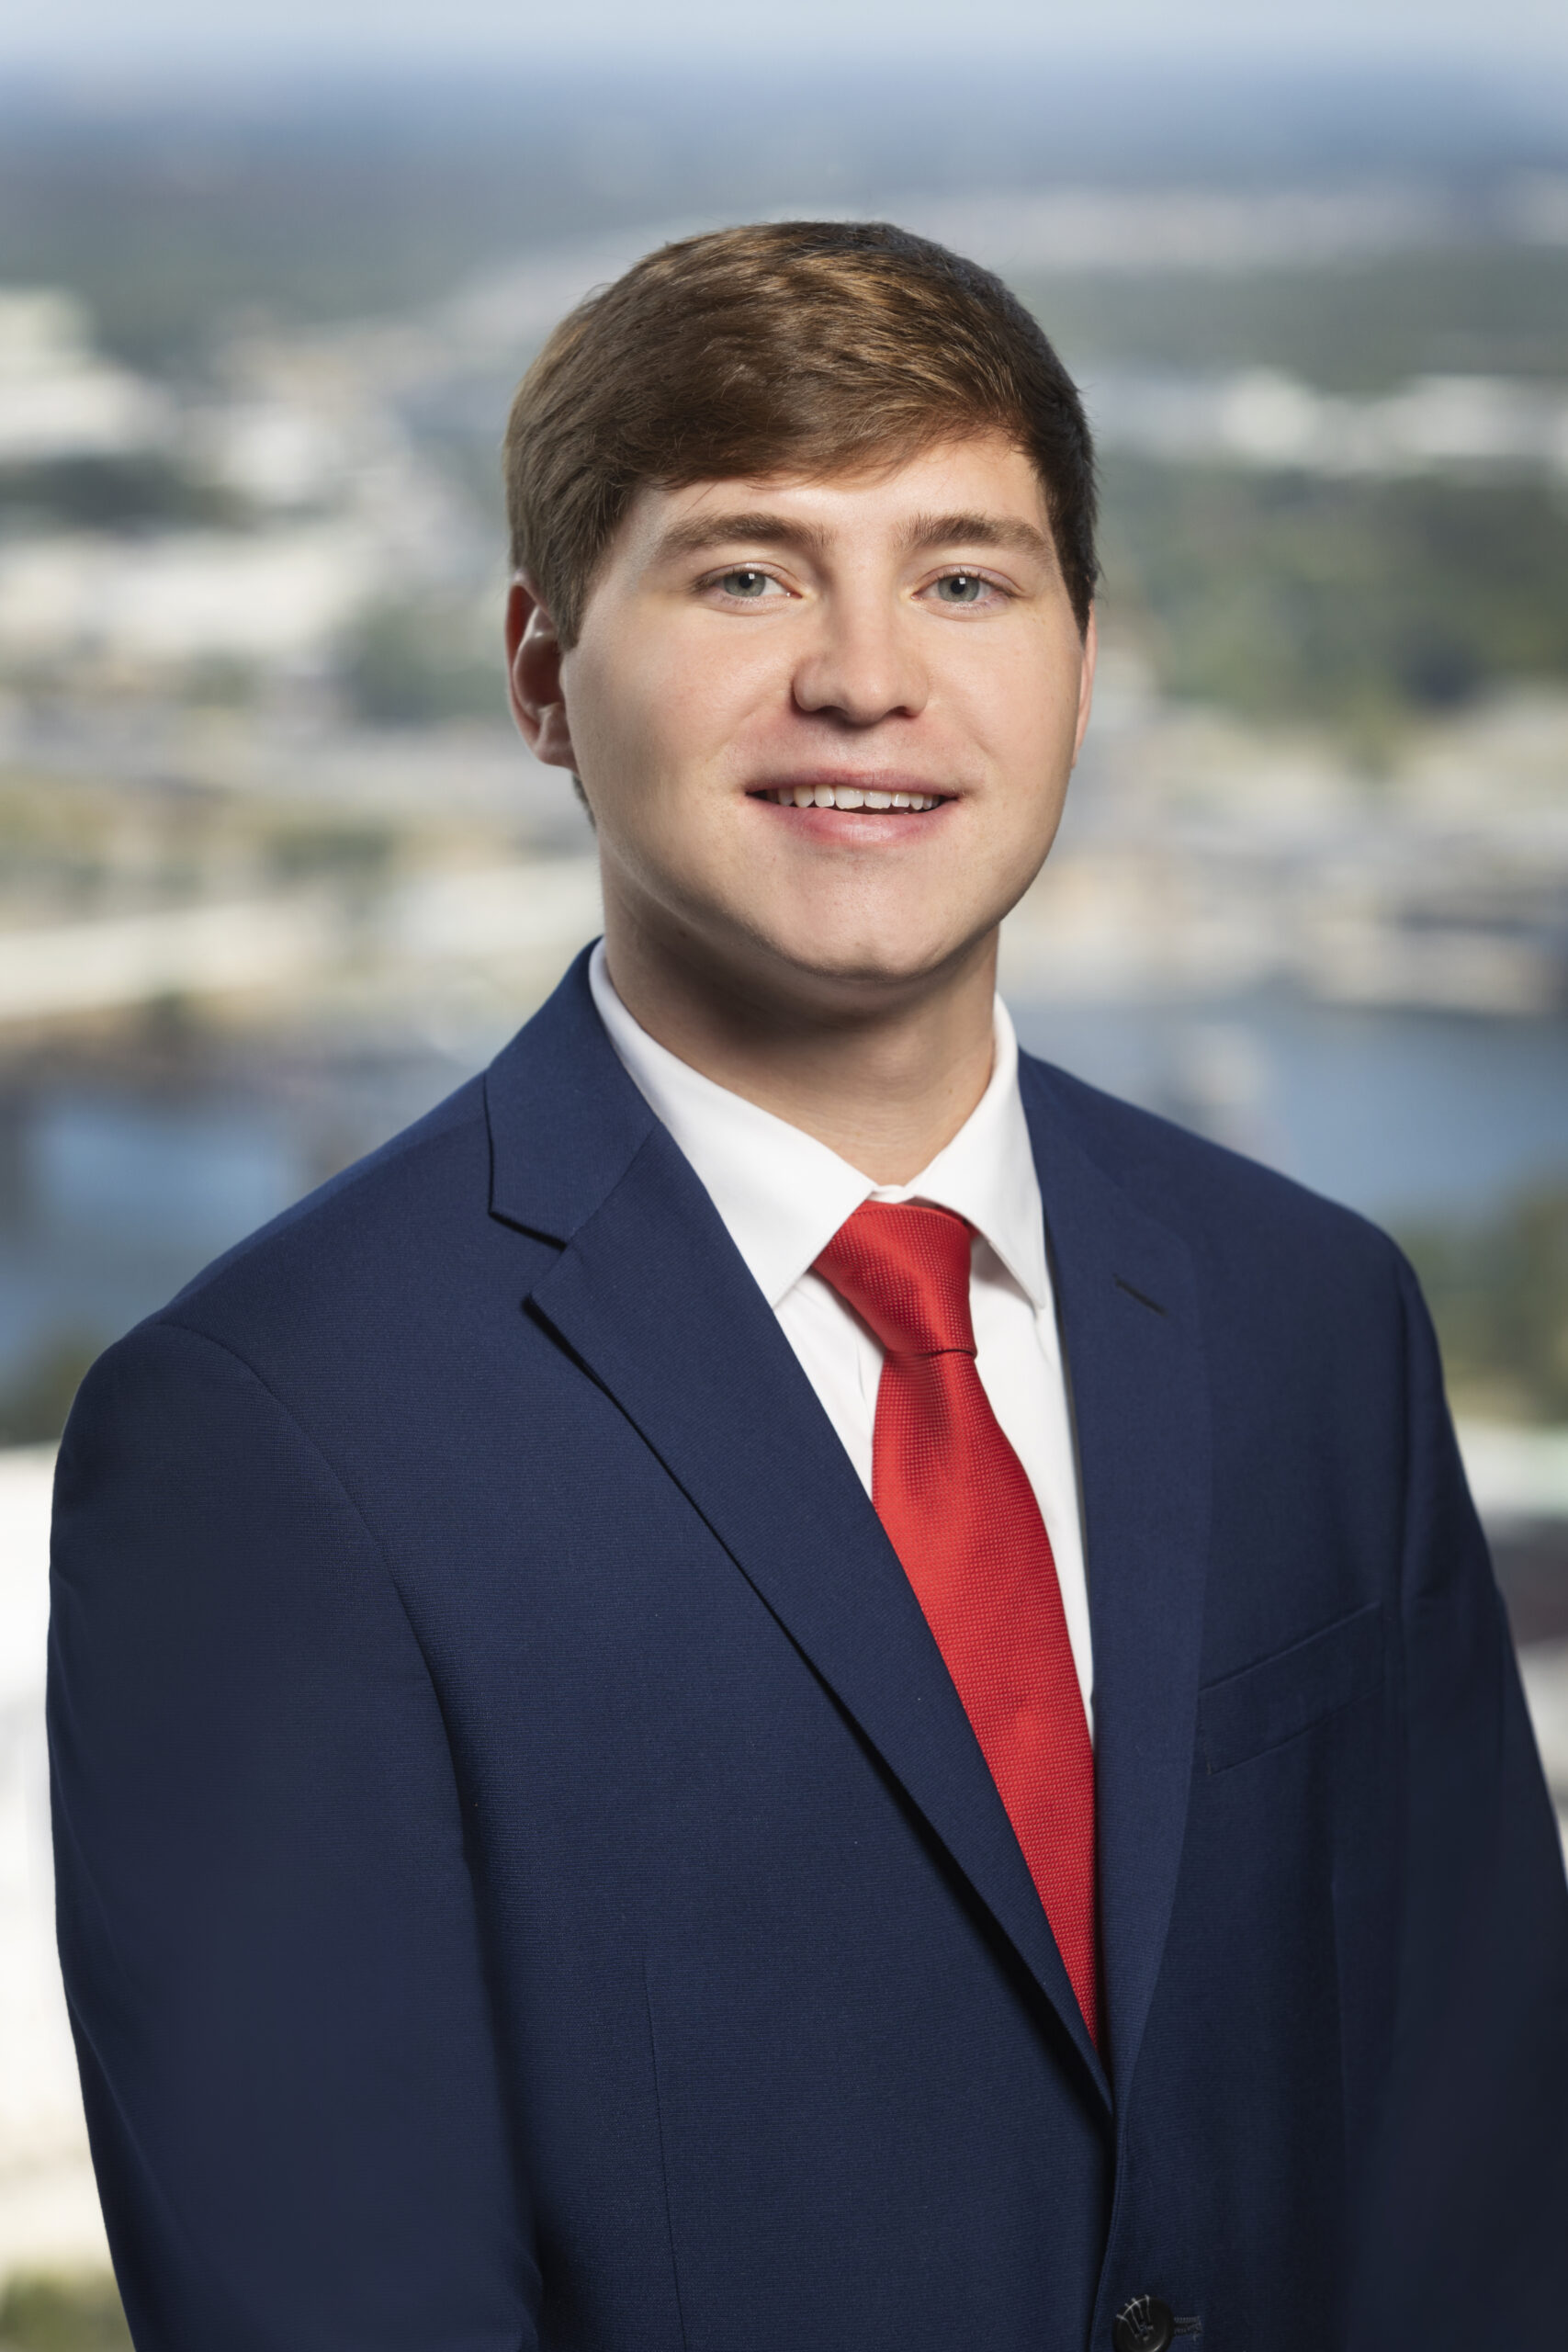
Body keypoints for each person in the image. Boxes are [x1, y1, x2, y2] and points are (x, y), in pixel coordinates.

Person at [49, 221, 1567, 2352]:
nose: (868, 674)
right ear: (536, 672)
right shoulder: (270, 1435)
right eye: (748, 570)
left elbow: (1477, 2186)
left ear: (1077, 658)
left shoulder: (1312, 1312)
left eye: (963, 576)